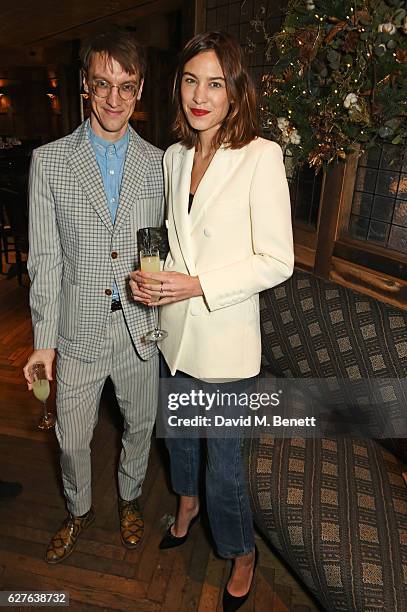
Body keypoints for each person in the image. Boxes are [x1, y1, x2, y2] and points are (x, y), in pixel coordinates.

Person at [130, 31, 294, 611]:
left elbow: (277, 260)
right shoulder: (175, 158)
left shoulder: (261, 155)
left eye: (215, 83)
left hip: (225, 346)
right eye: (191, 80)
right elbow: (181, 247)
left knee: (224, 468)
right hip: (175, 335)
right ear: (179, 87)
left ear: (234, 92)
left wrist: (196, 285)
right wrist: (154, 283)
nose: (201, 95)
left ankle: (240, 551)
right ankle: (185, 505)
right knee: (176, 441)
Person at [23, 29, 164, 564]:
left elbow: (162, 242)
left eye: (126, 87)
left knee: (140, 425)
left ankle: (129, 498)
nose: (113, 99)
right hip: (76, 332)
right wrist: (43, 342)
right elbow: (44, 260)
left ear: (141, 89)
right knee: (72, 439)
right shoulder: (50, 161)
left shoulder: (159, 163)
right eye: (103, 84)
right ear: (85, 85)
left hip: (138, 329)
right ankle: (79, 508)